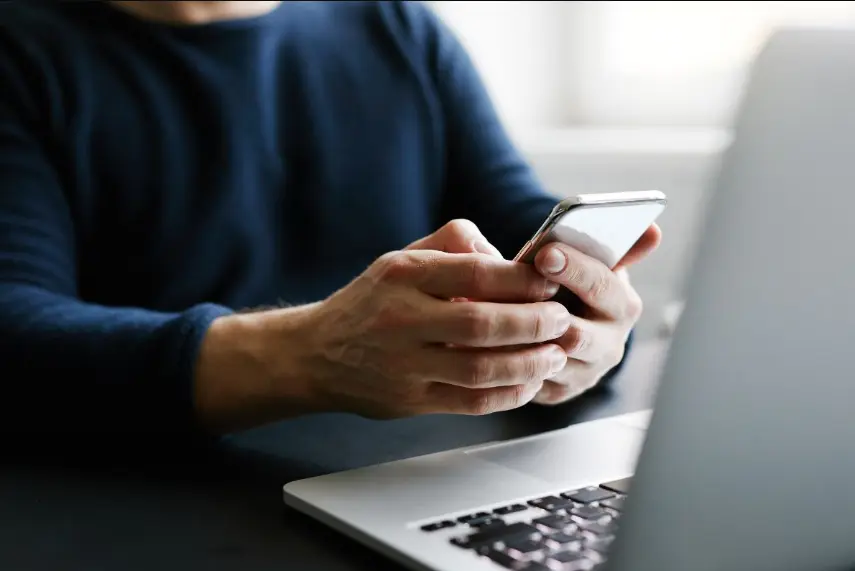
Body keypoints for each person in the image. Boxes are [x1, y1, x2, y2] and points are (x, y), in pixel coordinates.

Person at [0, 0, 661, 439]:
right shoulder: (22, 48)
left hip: (412, 475)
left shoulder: (393, 25)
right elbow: (16, 327)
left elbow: (520, 223)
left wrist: (585, 323)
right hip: (147, 502)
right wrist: (307, 356)